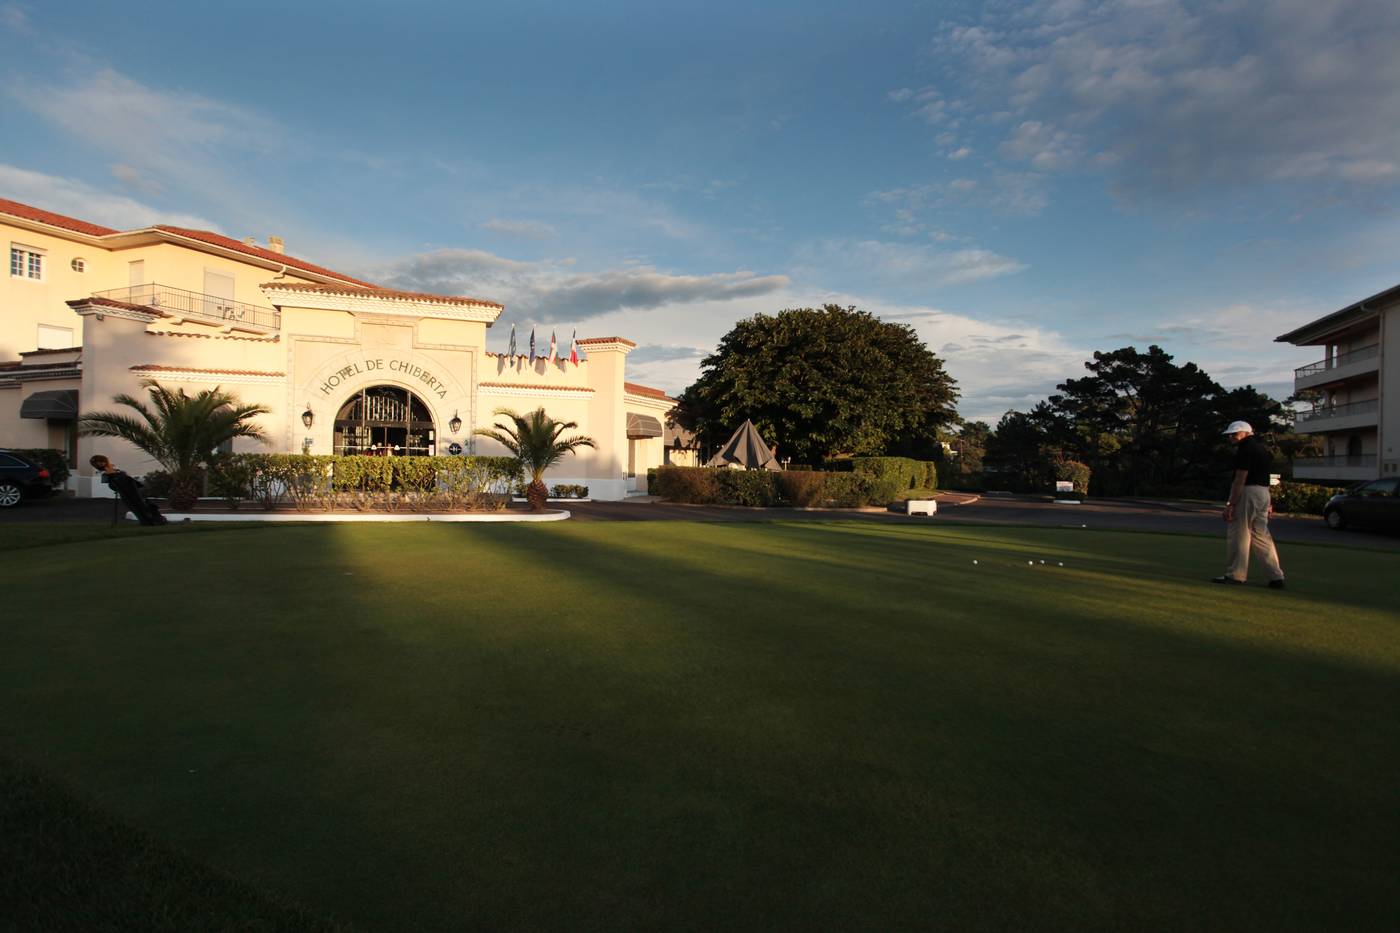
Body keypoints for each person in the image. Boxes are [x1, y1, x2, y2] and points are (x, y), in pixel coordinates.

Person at [1212, 421, 1284, 589]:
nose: (1231, 437)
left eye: (1234, 434)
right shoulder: (1262, 449)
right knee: (1261, 535)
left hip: (1248, 492)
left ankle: (1236, 574)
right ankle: (1276, 576)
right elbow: (1265, 477)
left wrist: (1231, 503)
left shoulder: (1245, 450)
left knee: (1240, 533)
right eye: (1230, 434)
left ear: (1245, 433)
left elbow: (1240, 478)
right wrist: (1268, 502)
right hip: (1263, 493)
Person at [90, 454, 167, 526]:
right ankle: (149, 520)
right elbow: (115, 482)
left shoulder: (111, 469)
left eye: (98, 463)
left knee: (140, 503)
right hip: (127, 490)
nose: (97, 465)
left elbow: (121, 478)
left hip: (130, 489)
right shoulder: (107, 471)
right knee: (137, 504)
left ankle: (151, 519)